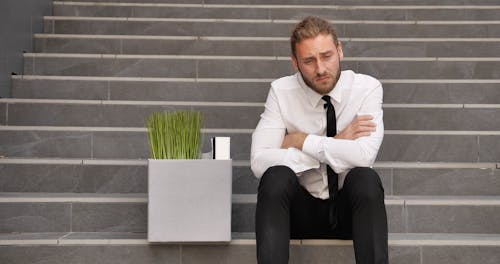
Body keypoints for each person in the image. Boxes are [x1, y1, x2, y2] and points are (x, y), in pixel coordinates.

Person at [250, 16, 388, 264]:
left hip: (350, 214)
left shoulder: (367, 88)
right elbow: (259, 161)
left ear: (340, 50)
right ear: (295, 63)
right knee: (275, 176)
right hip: (298, 214)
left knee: (365, 178)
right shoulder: (281, 92)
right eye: (309, 61)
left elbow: (364, 155)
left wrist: (302, 140)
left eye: (326, 56)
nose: (321, 69)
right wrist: (336, 142)